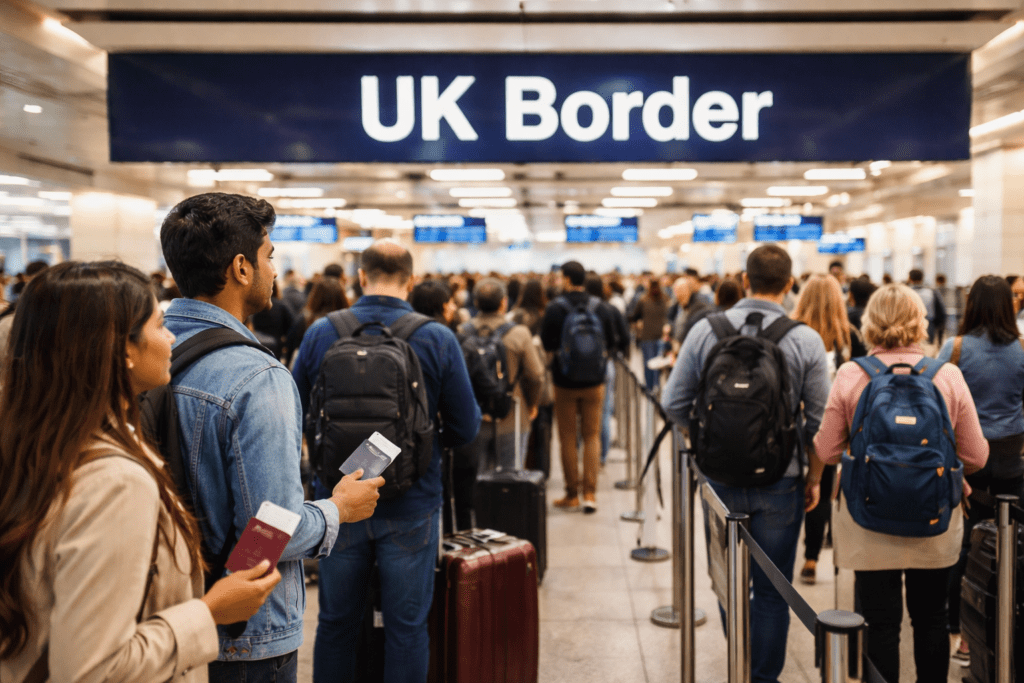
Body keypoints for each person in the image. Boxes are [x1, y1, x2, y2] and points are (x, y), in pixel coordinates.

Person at [0, 261, 282, 683]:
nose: (171, 338)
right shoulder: (114, 483)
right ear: (122, 350)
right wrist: (210, 611)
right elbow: (93, 670)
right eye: (158, 325)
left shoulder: (31, 446)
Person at [160, 193, 384, 683]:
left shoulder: (148, 350)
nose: (274, 269)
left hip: (168, 617)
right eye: (269, 256)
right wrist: (339, 508)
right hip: (245, 635)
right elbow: (268, 531)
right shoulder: (257, 376)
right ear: (241, 268)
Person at [292, 240, 480, 683]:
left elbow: (293, 412)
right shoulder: (436, 337)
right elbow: (465, 427)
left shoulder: (322, 332)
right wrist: (420, 449)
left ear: (361, 277)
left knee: (335, 623)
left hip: (338, 501)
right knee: (407, 628)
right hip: (412, 503)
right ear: (410, 282)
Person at [663, 244, 831, 683]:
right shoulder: (805, 339)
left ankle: (739, 665)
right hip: (781, 480)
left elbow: (673, 402)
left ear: (743, 280)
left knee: (728, 584)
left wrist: (707, 442)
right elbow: (821, 425)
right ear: (790, 284)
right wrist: (814, 478)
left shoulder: (706, 330)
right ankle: (762, 677)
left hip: (718, 480)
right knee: (774, 593)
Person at [814, 283, 988, 683]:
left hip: (867, 517)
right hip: (935, 517)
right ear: (919, 322)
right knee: (932, 617)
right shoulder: (947, 375)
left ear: (869, 323)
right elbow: (977, 455)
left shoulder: (851, 374)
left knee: (879, 621)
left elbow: (826, 451)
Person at [936, 275, 1024, 663]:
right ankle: (1003, 632)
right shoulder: (1022, 349)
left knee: (964, 545)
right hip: (1010, 461)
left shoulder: (955, 348)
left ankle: (963, 636)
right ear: (1009, 306)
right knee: (1008, 545)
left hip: (966, 461)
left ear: (972, 305)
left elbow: (934, 401)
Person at [791, 274, 866, 586]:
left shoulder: (792, 333)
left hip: (794, 420)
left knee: (791, 481)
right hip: (834, 423)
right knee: (821, 484)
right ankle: (811, 557)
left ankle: (787, 545)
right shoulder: (850, 337)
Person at [541, 260, 620, 513]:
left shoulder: (555, 307)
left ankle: (571, 493)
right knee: (592, 435)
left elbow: (547, 342)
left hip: (564, 381)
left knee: (567, 436)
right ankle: (590, 494)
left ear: (566, 279)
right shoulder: (600, 307)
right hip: (595, 380)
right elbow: (612, 341)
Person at [462, 277, 544, 470]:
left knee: (475, 475)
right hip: (513, 413)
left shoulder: (461, 332)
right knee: (511, 475)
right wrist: (532, 404)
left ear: (475, 302)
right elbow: (536, 375)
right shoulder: (519, 333)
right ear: (503, 302)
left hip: (474, 416)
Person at [283, 276, 349, 366]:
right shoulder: (349, 321)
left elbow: (291, 345)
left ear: (315, 296)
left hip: (312, 369)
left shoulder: (305, 320)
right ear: (342, 298)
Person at [629, 277, 669, 391]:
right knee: (659, 364)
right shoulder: (665, 299)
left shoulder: (643, 300)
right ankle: (657, 386)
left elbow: (634, 316)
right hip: (661, 336)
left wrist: (637, 323)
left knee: (648, 364)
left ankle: (649, 388)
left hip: (647, 336)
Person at [908, 269, 946, 347]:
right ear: (922, 278)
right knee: (928, 348)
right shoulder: (932, 292)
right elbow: (941, 312)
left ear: (910, 278)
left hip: (909, 326)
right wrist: (940, 335)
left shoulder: (905, 292)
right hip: (929, 325)